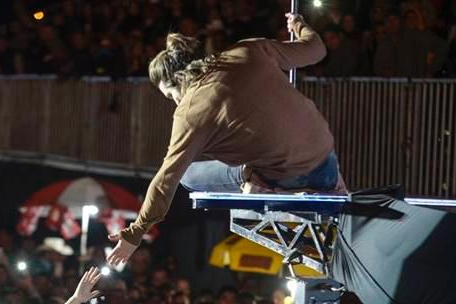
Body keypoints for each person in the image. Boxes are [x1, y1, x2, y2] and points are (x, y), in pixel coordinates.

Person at [106, 14, 347, 266]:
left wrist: (136, 232)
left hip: (287, 175)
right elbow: (316, 50)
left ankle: (252, 179)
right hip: (325, 158)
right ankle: (258, 172)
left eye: (170, 95)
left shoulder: (190, 111)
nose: (176, 102)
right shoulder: (247, 49)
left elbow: (166, 180)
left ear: (177, 80)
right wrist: (298, 24)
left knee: (188, 175)